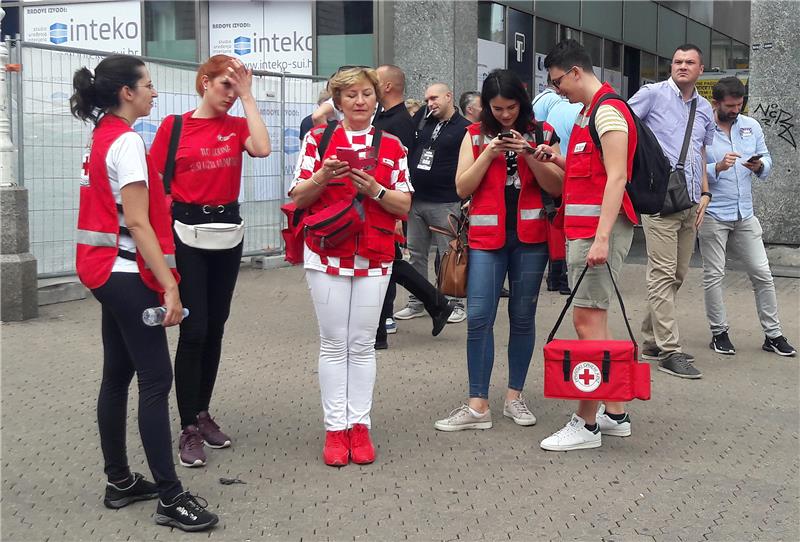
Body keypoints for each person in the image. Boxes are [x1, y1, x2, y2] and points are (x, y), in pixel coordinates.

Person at [70, 54, 218, 531]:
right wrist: (171, 286)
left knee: (117, 375)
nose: (155, 92)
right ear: (126, 93)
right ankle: (171, 497)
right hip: (126, 275)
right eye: (148, 85)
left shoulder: (102, 137)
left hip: (104, 273)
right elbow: (136, 220)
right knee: (156, 381)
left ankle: (120, 482)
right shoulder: (128, 142)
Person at [150, 55, 271, 468]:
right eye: (225, 85)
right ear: (204, 82)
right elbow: (155, 184)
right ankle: (187, 426)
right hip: (186, 232)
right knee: (194, 327)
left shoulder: (237, 125)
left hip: (227, 232)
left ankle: (202, 413)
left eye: (236, 88)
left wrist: (250, 98)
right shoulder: (175, 125)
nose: (231, 95)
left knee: (216, 325)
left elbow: (262, 148)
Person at [289, 67, 413, 466]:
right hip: (326, 253)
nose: (360, 102)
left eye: (366, 94)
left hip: (374, 253)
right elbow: (298, 196)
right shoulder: (318, 138)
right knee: (333, 341)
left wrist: (374, 189)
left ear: (377, 98)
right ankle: (334, 428)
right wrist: (324, 174)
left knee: (361, 344)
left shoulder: (391, 145)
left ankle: (359, 426)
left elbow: (404, 204)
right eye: (351, 95)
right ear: (338, 101)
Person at [434, 69, 563, 432]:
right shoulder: (474, 136)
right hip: (487, 240)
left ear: (521, 104)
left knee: (522, 318)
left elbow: (557, 186)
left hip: (530, 238)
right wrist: (489, 153)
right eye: (497, 108)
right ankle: (478, 405)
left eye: (510, 108)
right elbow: (462, 188)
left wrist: (531, 154)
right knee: (478, 317)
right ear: (487, 107)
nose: (505, 115)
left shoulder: (543, 134)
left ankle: (514, 397)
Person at [537, 39, 639, 452]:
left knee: (587, 324)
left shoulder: (608, 111)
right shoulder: (586, 113)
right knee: (594, 321)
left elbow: (617, 178)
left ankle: (586, 422)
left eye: (558, 81)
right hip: (584, 231)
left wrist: (600, 237)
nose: (556, 90)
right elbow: (592, 172)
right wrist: (557, 160)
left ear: (576, 72)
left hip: (596, 234)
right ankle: (614, 413)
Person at [628, 44, 715, 379]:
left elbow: (701, 151)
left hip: (691, 201)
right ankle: (669, 350)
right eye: (677, 61)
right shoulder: (652, 94)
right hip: (659, 200)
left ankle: (650, 339)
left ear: (700, 69)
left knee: (677, 275)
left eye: (689, 62)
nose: (682, 66)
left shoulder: (704, 107)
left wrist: (705, 192)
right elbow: (622, 126)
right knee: (662, 274)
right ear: (671, 66)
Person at [700, 77, 796, 356]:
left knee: (762, 273)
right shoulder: (703, 129)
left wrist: (759, 165)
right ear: (715, 103)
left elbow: (767, 158)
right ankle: (719, 332)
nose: (735, 110)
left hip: (745, 212)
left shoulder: (750, 125)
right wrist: (716, 167)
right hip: (714, 212)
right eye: (729, 106)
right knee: (714, 275)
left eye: (739, 105)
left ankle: (773, 335)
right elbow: (693, 168)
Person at [373, 65, 455, 348]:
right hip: (387, 204)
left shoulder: (399, 124)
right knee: (392, 262)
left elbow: (401, 167)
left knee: (390, 262)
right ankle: (431, 305)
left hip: (395, 204)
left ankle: (434, 305)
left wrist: (398, 211)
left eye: (373, 80)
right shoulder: (390, 118)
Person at [395, 83, 471, 325]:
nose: (430, 103)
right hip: (417, 200)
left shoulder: (464, 128)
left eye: (435, 98)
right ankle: (418, 302)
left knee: (450, 255)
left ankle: (455, 303)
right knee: (415, 253)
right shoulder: (423, 120)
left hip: (446, 201)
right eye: (427, 99)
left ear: (449, 97)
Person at [532, 87, 583, 295]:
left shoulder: (549, 112)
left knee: (555, 227)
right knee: (566, 230)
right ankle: (564, 280)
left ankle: (555, 278)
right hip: (571, 173)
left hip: (551, 167)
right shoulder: (580, 112)